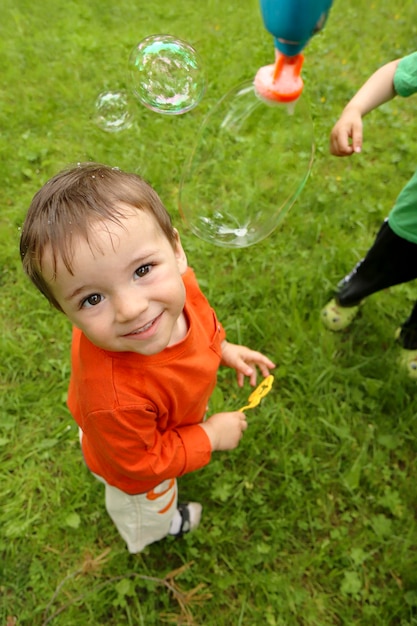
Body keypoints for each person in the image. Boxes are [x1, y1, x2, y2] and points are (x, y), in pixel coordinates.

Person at [19, 162, 275, 553]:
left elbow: (202, 319)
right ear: (64, 312)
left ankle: (102, 442)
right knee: (148, 503)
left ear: (176, 251)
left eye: (142, 269)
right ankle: (160, 526)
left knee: (118, 435)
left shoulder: (179, 288)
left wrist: (222, 347)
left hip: (130, 428)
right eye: (92, 298)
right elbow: (139, 465)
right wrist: (209, 436)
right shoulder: (115, 399)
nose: (132, 308)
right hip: (132, 462)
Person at [320, 51, 417, 378]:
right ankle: (349, 296)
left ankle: (412, 340)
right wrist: (354, 108)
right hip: (413, 222)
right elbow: (394, 73)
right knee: (380, 265)